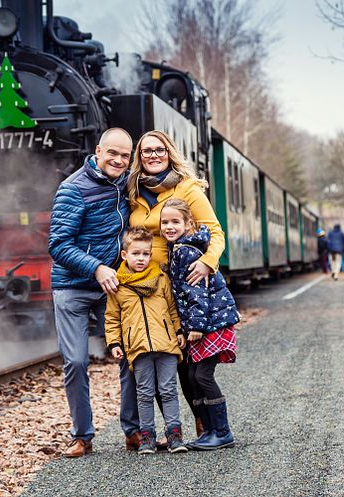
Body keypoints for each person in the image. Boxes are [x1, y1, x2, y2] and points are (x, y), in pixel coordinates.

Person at [127, 130, 224, 438]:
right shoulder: (133, 193)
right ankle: (170, 428)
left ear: (168, 152)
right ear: (139, 158)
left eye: (159, 150)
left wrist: (207, 263)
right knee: (161, 354)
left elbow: (215, 233)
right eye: (146, 151)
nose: (153, 155)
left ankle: (204, 420)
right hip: (148, 286)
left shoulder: (188, 189)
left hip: (183, 283)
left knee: (186, 357)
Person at [48, 128, 138, 458]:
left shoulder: (128, 184)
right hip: (73, 286)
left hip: (112, 287)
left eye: (124, 156)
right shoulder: (73, 189)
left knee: (130, 356)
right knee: (75, 360)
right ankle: (82, 436)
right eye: (111, 153)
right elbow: (58, 244)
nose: (117, 160)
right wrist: (96, 268)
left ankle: (134, 430)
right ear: (98, 150)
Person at [161, 199, 240, 450]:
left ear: (189, 223)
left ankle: (222, 431)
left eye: (175, 222)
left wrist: (194, 327)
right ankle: (209, 432)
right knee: (194, 377)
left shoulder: (186, 251)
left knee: (202, 376)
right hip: (204, 322)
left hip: (212, 323)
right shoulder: (177, 249)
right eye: (165, 222)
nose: (169, 227)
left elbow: (197, 293)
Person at [104, 227, 187, 454]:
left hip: (166, 345)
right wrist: (114, 343)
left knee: (168, 390)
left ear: (151, 255)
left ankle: (174, 437)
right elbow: (112, 317)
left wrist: (178, 330)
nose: (141, 259)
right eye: (136, 254)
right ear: (124, 255)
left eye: (145, 254)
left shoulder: (160, 279)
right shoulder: (117, 285)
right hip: (137, 348)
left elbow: (172, 307)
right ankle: (147, 438)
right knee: (144, 392)